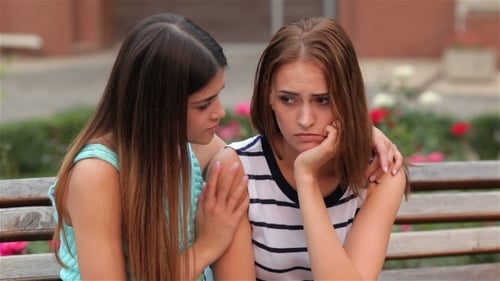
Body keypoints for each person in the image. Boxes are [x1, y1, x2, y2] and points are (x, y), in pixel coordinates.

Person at [48, 13, 250, 281]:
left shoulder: (199, 150)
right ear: (158, 107)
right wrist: (207, 247)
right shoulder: (97, 175)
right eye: (204, 104)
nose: (220, 112)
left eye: (219, 95)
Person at [211, 17, 410, 280]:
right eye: (288, 99)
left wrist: (306, 178)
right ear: (269, 96)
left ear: (347, 98)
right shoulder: (239, 169)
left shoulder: (379, 174)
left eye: (323, 100)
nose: (305, 119)